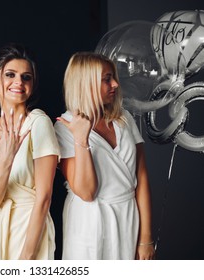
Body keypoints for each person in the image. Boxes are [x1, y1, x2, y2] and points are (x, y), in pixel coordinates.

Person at [54, 52, 155, 260]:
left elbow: (142, 179)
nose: (116, 84)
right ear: (86, 83)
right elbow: (86, 192)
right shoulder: (64, 127)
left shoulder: (124, 119)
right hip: (89, 222)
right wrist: (81, 140)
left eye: (113, 78)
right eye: (107, 79)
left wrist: (145, 238)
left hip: (128, 218)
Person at [0, 43, 60, 260]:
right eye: (10, 75)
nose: (19, 82)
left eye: (26, 77)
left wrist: (26, 257)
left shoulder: (39, 123)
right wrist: (6, 160)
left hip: (30, 229)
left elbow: (45, 197)